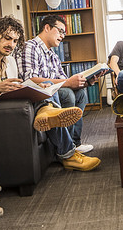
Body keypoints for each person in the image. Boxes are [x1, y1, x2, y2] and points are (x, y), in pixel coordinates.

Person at [0, 16, 100, 172]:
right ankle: (68, 152)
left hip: (13, 106)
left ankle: (51, 119)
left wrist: (34, 86)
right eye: (7, 38)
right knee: (51, 95)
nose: (11, 44)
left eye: (15, 41)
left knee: (47, 86)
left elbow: (18, 85)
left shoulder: (9, 61)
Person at [15, 15, 95, 155]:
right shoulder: (30, 47)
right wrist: (67, 83)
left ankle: (75, 143)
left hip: (54, 91)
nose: (63, 36)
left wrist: (85, 82)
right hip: (37, 94)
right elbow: (29, 80)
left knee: (81, 94)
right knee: (67, 94)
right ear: (47, 27)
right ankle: (66, 148)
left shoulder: (53, 55)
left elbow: (64, 80)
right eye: (61, 31)